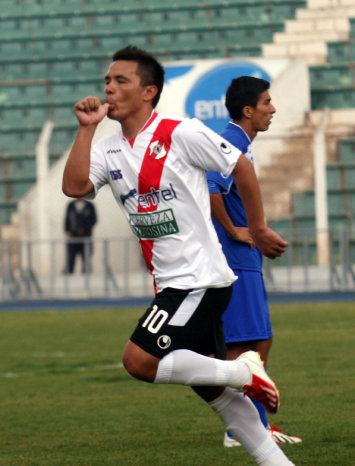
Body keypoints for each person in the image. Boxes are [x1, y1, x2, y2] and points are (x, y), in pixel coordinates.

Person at [62, 45, 295, 466]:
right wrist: (86, 128)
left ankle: (243, 370)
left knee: (139, 361)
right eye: (106, 82)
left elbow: (238, 165)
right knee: (214, 392)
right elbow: (75, 187)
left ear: (148, 91)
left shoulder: (179, 131)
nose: (108, 89)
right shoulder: (109, 148)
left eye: (120, 81)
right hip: (173, 281)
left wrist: (257, 228)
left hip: (198, 279)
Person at [207, 76, 302, 447]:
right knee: (248, 344)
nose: (272, 109)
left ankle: (250, 427)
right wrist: (234, 229)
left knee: (254, 341)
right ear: (248, 110)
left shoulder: (239, 142)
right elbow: (211, 186)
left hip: (241, 258)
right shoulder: (230, 141)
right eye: (266, 103)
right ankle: (243, 430)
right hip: (234, 258)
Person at [64, 197, 97, 274]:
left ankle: (87, 279)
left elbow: (94, 220)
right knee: (71, 259)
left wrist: (84, 229)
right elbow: (67, 220)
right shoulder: (71, 205)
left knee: (86, 259)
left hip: (86, 236)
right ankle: (69, 277)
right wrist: (68, 233)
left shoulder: (89, 206)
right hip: (73, 237)